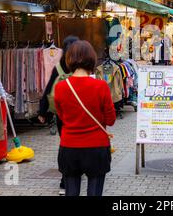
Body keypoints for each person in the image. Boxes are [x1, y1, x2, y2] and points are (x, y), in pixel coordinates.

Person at [54, 40, 116, 196]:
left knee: (71, 191)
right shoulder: (101, 86)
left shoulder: (60, 87)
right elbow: (111, 120)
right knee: (95, 192)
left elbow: (61, 116)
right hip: (96, 146)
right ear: (92, 59)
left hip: (69, 146)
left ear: (69, 59)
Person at [38, 35, 79, 195]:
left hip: (63, 115)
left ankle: (66, 179)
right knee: (77, 146)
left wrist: (43, 112)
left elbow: (48, 90)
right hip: (79, 114)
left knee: (65, 146)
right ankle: (72, 175)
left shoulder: (59, 67)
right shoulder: (82, 67)